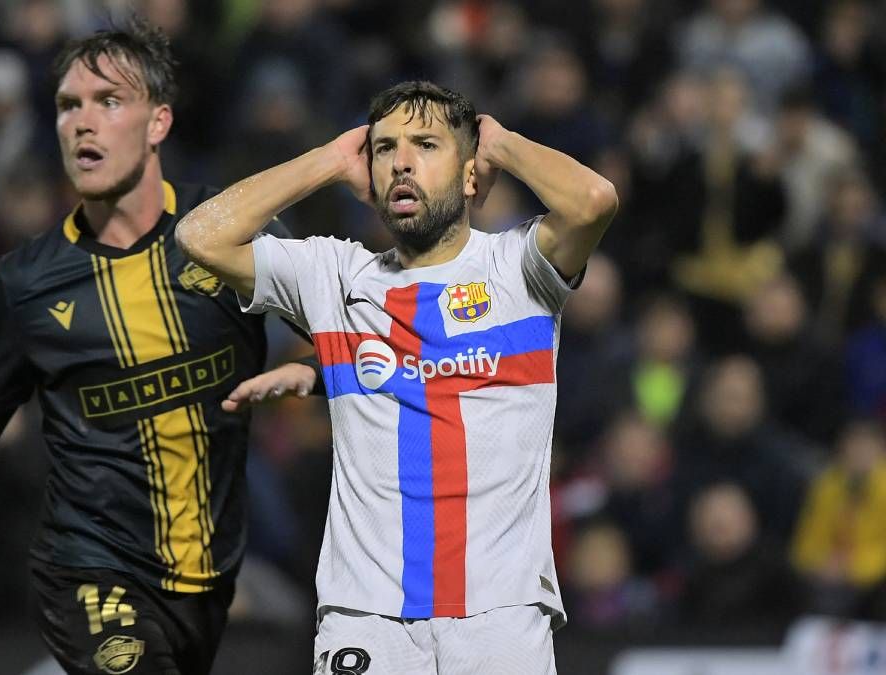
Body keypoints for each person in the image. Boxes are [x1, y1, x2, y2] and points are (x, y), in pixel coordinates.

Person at [0, 20, 318, 675]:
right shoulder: (27, 282)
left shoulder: (229, 232)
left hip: (202, 575)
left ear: (158, 123)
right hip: (89, 567)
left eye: (109, 101)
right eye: (69, 104)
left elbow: (349, 339)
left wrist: (307, 375)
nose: (82, 122)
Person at [177, 80, 617, 673]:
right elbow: (199, 235)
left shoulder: (519, 269)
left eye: (427, 144)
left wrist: (500, 141)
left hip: (499, 615)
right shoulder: (333, 276)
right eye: (384, 148)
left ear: (469, 174)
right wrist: (329, 159)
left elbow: (593, 199)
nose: (401, 161)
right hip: (366, 616)